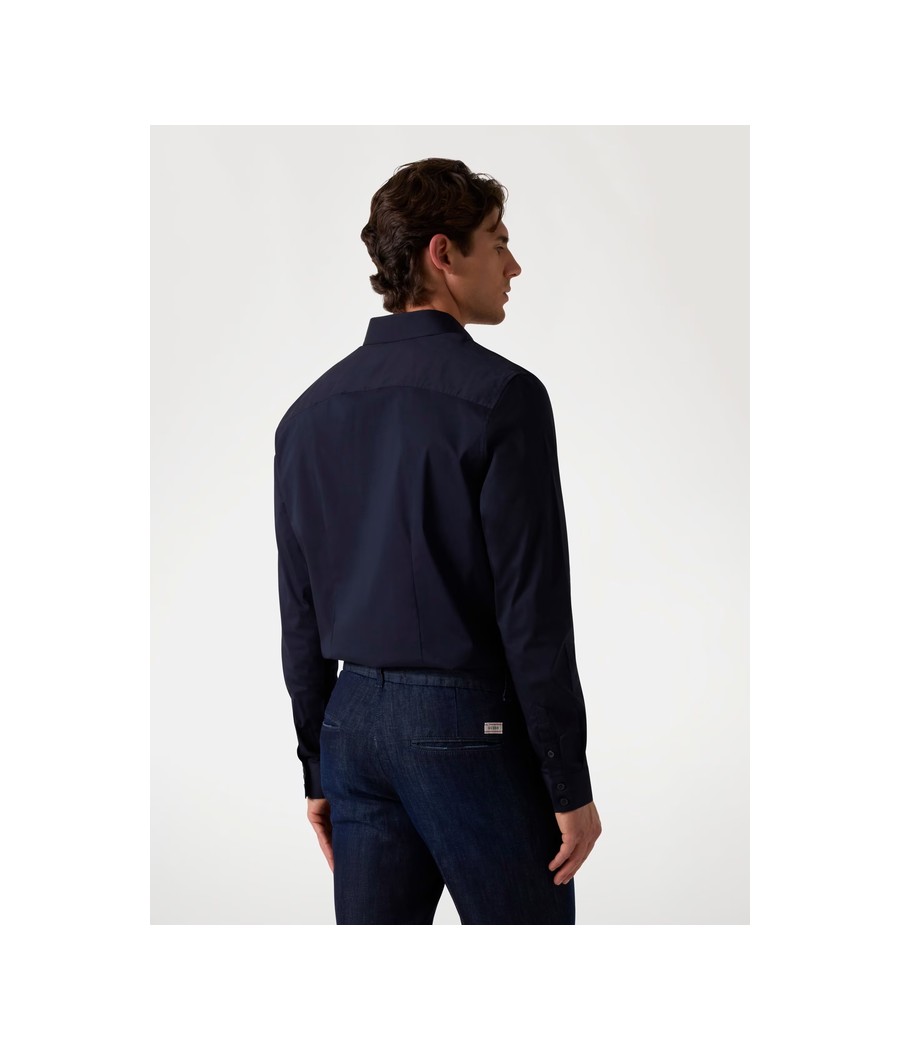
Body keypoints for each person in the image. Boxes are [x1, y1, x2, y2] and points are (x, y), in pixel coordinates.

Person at [273, 157, 602, 924]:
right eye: (499, 242)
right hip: (467, 730)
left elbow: (300, 612)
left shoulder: (307, 415)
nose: (514, 266)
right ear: (442, 253)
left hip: (352, 726)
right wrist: (568, 784)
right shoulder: (504, 398)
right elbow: (532, 614)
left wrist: (319, 765)